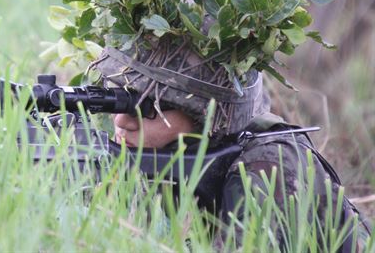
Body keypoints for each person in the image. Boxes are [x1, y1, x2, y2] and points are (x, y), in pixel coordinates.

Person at [91, 37, 371, 251]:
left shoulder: (269, 167)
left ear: (208, 117)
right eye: (121, 99)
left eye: (150, 108)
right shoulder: (168, 159)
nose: (121, 121)